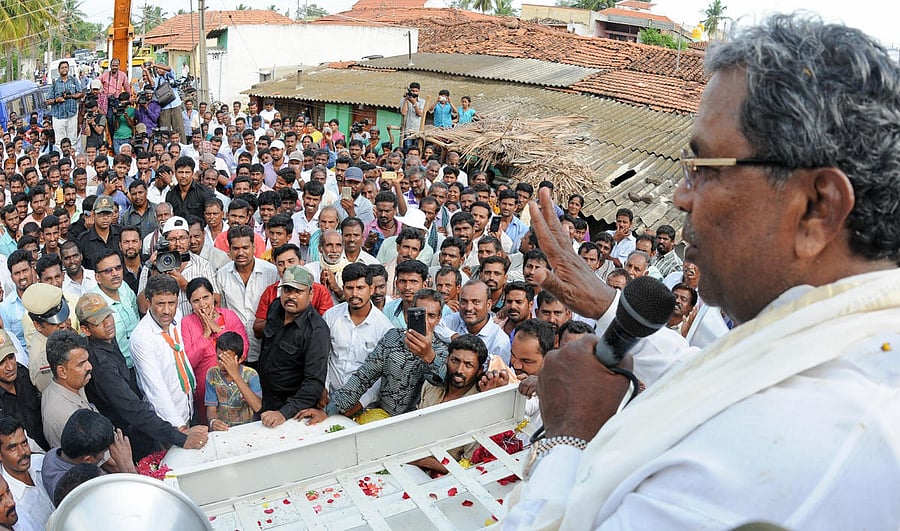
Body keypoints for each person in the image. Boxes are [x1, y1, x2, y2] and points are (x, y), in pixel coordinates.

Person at [505, 15, 900, 529]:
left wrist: (569, 435)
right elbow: (719, 375)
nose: (679, 196)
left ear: (816, 209)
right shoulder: (844, 342)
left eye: (705, 169)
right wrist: (609, 308)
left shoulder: (782, 451)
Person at [77, 293, 207, 459]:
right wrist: (180, 438)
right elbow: (130, 407)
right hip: (126, 434)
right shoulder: (102, 365)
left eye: (108, 316)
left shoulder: (106, 339)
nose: (107, 323)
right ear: (86, 330)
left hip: (138, 422)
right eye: (98, 321)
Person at [299, 288, 448, 423]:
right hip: (382, 418)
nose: (425, 321)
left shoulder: (442, 349)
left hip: (419, 423)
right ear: (409, 315)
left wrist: (429, 356)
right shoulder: (393, 338)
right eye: (420, 315)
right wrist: (328, 411)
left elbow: (442, 382)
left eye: (431, 316)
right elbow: (363, 376)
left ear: (439, 318)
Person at [258, 266, 329, 428]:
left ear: (310, 294)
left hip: (292, 412)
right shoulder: (276, 307)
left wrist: (284, 413)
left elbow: (314, 383)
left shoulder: (316, 331)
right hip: (264, 398)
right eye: (287, 290)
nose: (291, 296)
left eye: (298, 291)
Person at [321, 263, 393, 414]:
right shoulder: (330, 316)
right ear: (343, 288)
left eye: (360, 288)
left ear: (371, 289)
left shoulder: (384, 327)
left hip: (365, 406)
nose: (354, 294)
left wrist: (359, 404)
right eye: (349, 288)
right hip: (328, 398)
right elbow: (323, 357)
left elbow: (382, 375)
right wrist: (323, 390)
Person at [129, 275, 195, 429]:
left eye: (171, 303)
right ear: (148, 302)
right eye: (160, 304)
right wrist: (179, 426)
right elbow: (155, 388)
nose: (166, 311)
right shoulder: (141, 338)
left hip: (187, 406)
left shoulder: (177, 315)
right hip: (166, 421)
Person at [181, 278, 249, 423]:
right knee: (212, 428)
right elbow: (188, 363)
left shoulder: (228, 316)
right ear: (190, 303)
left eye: (206, 297)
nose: (202, 304)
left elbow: (243, 352)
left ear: (213, 296)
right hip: (205, 391)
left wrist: (217, 330)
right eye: (196, 300)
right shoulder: (187, 323)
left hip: (234, 387)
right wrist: (205, 335)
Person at [216, 225, 279, 365]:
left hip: (266, 348)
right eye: (236, 248)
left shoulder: (271, 272)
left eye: (245, 248)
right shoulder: (222, 274)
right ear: (229, 250)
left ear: (254, 248)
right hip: (235, 353)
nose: (241, 253)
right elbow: (223, 312)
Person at [40, 330, 96, 449]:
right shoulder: (65, 415)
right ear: (62, 371)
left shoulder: (73, 384)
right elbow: (95, 455)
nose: (89, 367)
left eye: (87, 360)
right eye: (81, 364)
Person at [434, 279, 511, 364]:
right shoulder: (454, 320)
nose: (468, 308)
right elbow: (434, 325)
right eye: (464, 302)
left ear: (488, 305)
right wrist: (454, 337)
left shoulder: (500, 341)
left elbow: (498, 369)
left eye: (476, 302)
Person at [0, 416, 53, 528]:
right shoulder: (10, 503)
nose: (23, 452)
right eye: (13, 448)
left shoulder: (41, 462)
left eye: (24, 443)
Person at [205, 331, 262, 431]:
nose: (222, 364)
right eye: (219, 358)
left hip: (248, 428)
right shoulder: (212, 374)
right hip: (224, 429)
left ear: (240, 359)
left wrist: (235, 375)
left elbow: (257, 407)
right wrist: (213, 421)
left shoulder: (250, 375)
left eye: (228, 361)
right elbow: (211, 408)